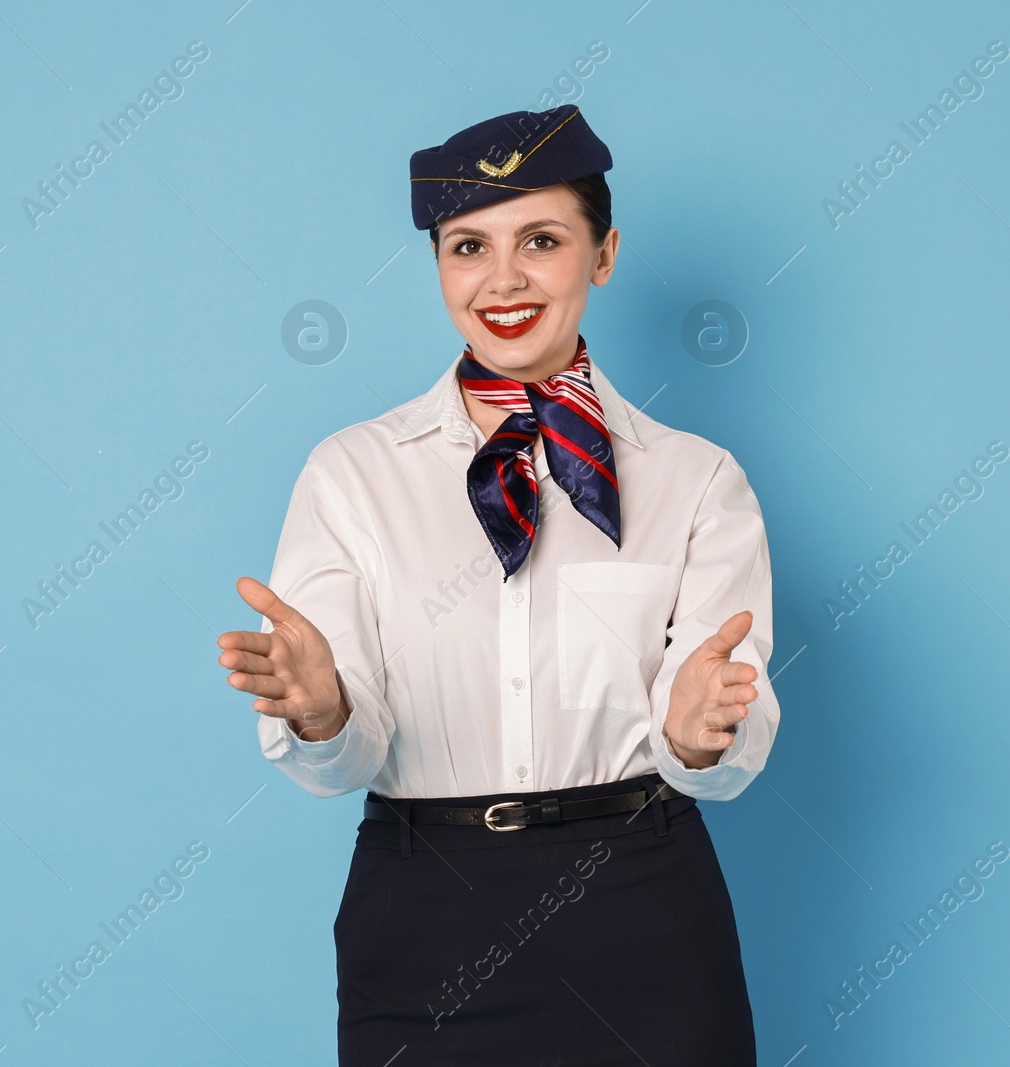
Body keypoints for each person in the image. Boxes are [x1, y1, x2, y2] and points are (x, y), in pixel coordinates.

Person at [216, 103, 779, 1065]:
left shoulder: (696, 478)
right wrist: (322, 709)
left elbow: (732, 736)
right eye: (468, 245)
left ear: (602, 256)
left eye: (543, 240)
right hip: (424, 919)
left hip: (643, 912)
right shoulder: (352, 474)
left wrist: (696, 732)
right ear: (438, 264)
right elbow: (344, 762)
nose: (503, 279)